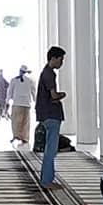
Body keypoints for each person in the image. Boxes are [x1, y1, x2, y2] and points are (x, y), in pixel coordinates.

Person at [36, 46, 67, 190]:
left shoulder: (46, 73)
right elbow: (53, 95)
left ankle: (48, 178)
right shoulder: (49, 74)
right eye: (61, 59)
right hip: (51, 114)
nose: (62, 62)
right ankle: (47, 180)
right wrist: (62, 95)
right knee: (51, 149)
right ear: (53, 58)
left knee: (51, 148)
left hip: (46, 113)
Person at [7, 65, 35, 145]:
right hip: (26, 104)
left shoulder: (14, 80)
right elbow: (33, 93)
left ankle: (16, 136)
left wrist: (7, 102)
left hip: (17, 103)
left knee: (15, 121)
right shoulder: (30, 81)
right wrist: (35, 102)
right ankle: (24, 138)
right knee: (25, 122)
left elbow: (9, 92)